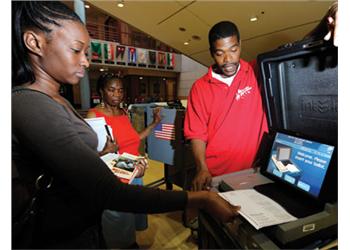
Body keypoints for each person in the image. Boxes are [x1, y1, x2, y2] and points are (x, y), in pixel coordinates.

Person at [11, 1, 240, 249]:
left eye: (86, 53)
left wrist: (107, 154)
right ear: (34, 42)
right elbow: (108, 191)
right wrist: (201, 199)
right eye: (76, 50)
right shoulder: (30, 106)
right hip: (59, 237)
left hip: (83, 227)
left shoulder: (57, 100)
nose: (86, 62)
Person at [184, 21, 269, 192]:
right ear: (211, 53)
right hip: (216, 176)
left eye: (233, 50)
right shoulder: (200, 87)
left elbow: (293, 50)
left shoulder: (255, 71)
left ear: (240, 46)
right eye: (220, 53)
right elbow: (197, 134)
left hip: (256, 171)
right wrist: (202, 168)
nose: (228, 59)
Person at [86, 74, 161, 248]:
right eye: (111, 90)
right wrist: (105, 151)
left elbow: (134, 139)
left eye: (120, 90)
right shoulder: (93, 115)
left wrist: (154, 124)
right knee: (119, 224)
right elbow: (89, 155)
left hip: (135, 173)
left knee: (131, 219)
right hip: (116, 177)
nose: (117, 95)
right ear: (101, 92)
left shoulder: (123, 112)